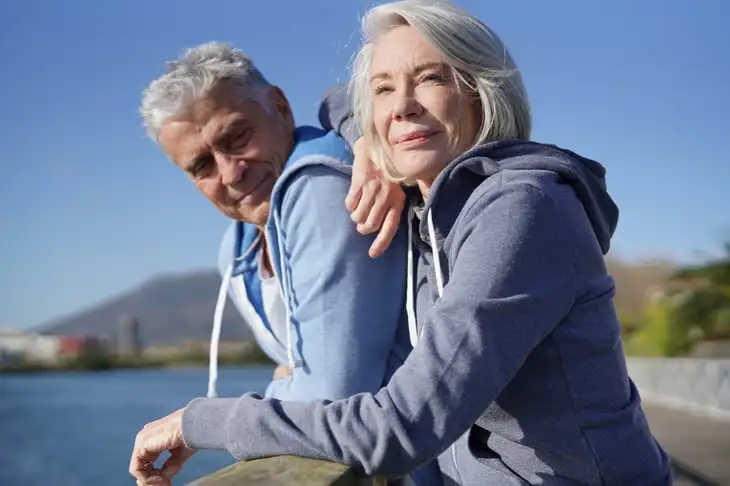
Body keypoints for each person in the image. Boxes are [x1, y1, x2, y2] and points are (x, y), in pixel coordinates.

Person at [130, 2, 673, 485]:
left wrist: (200, 420)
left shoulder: (522, 209)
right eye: (385, 89)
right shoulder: (425, 209)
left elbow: (401, 428)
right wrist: (364, 135)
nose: (404, 106)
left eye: (431, 78)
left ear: (482, 90)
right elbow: (337, 99)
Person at [135, 41, 441, 485]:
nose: (230, 172)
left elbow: (331, 398)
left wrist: (233, 409)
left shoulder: (319, 187)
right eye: (201, 166)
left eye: (237, 136)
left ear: (279, 107)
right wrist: (293, 376)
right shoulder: (236, 249)